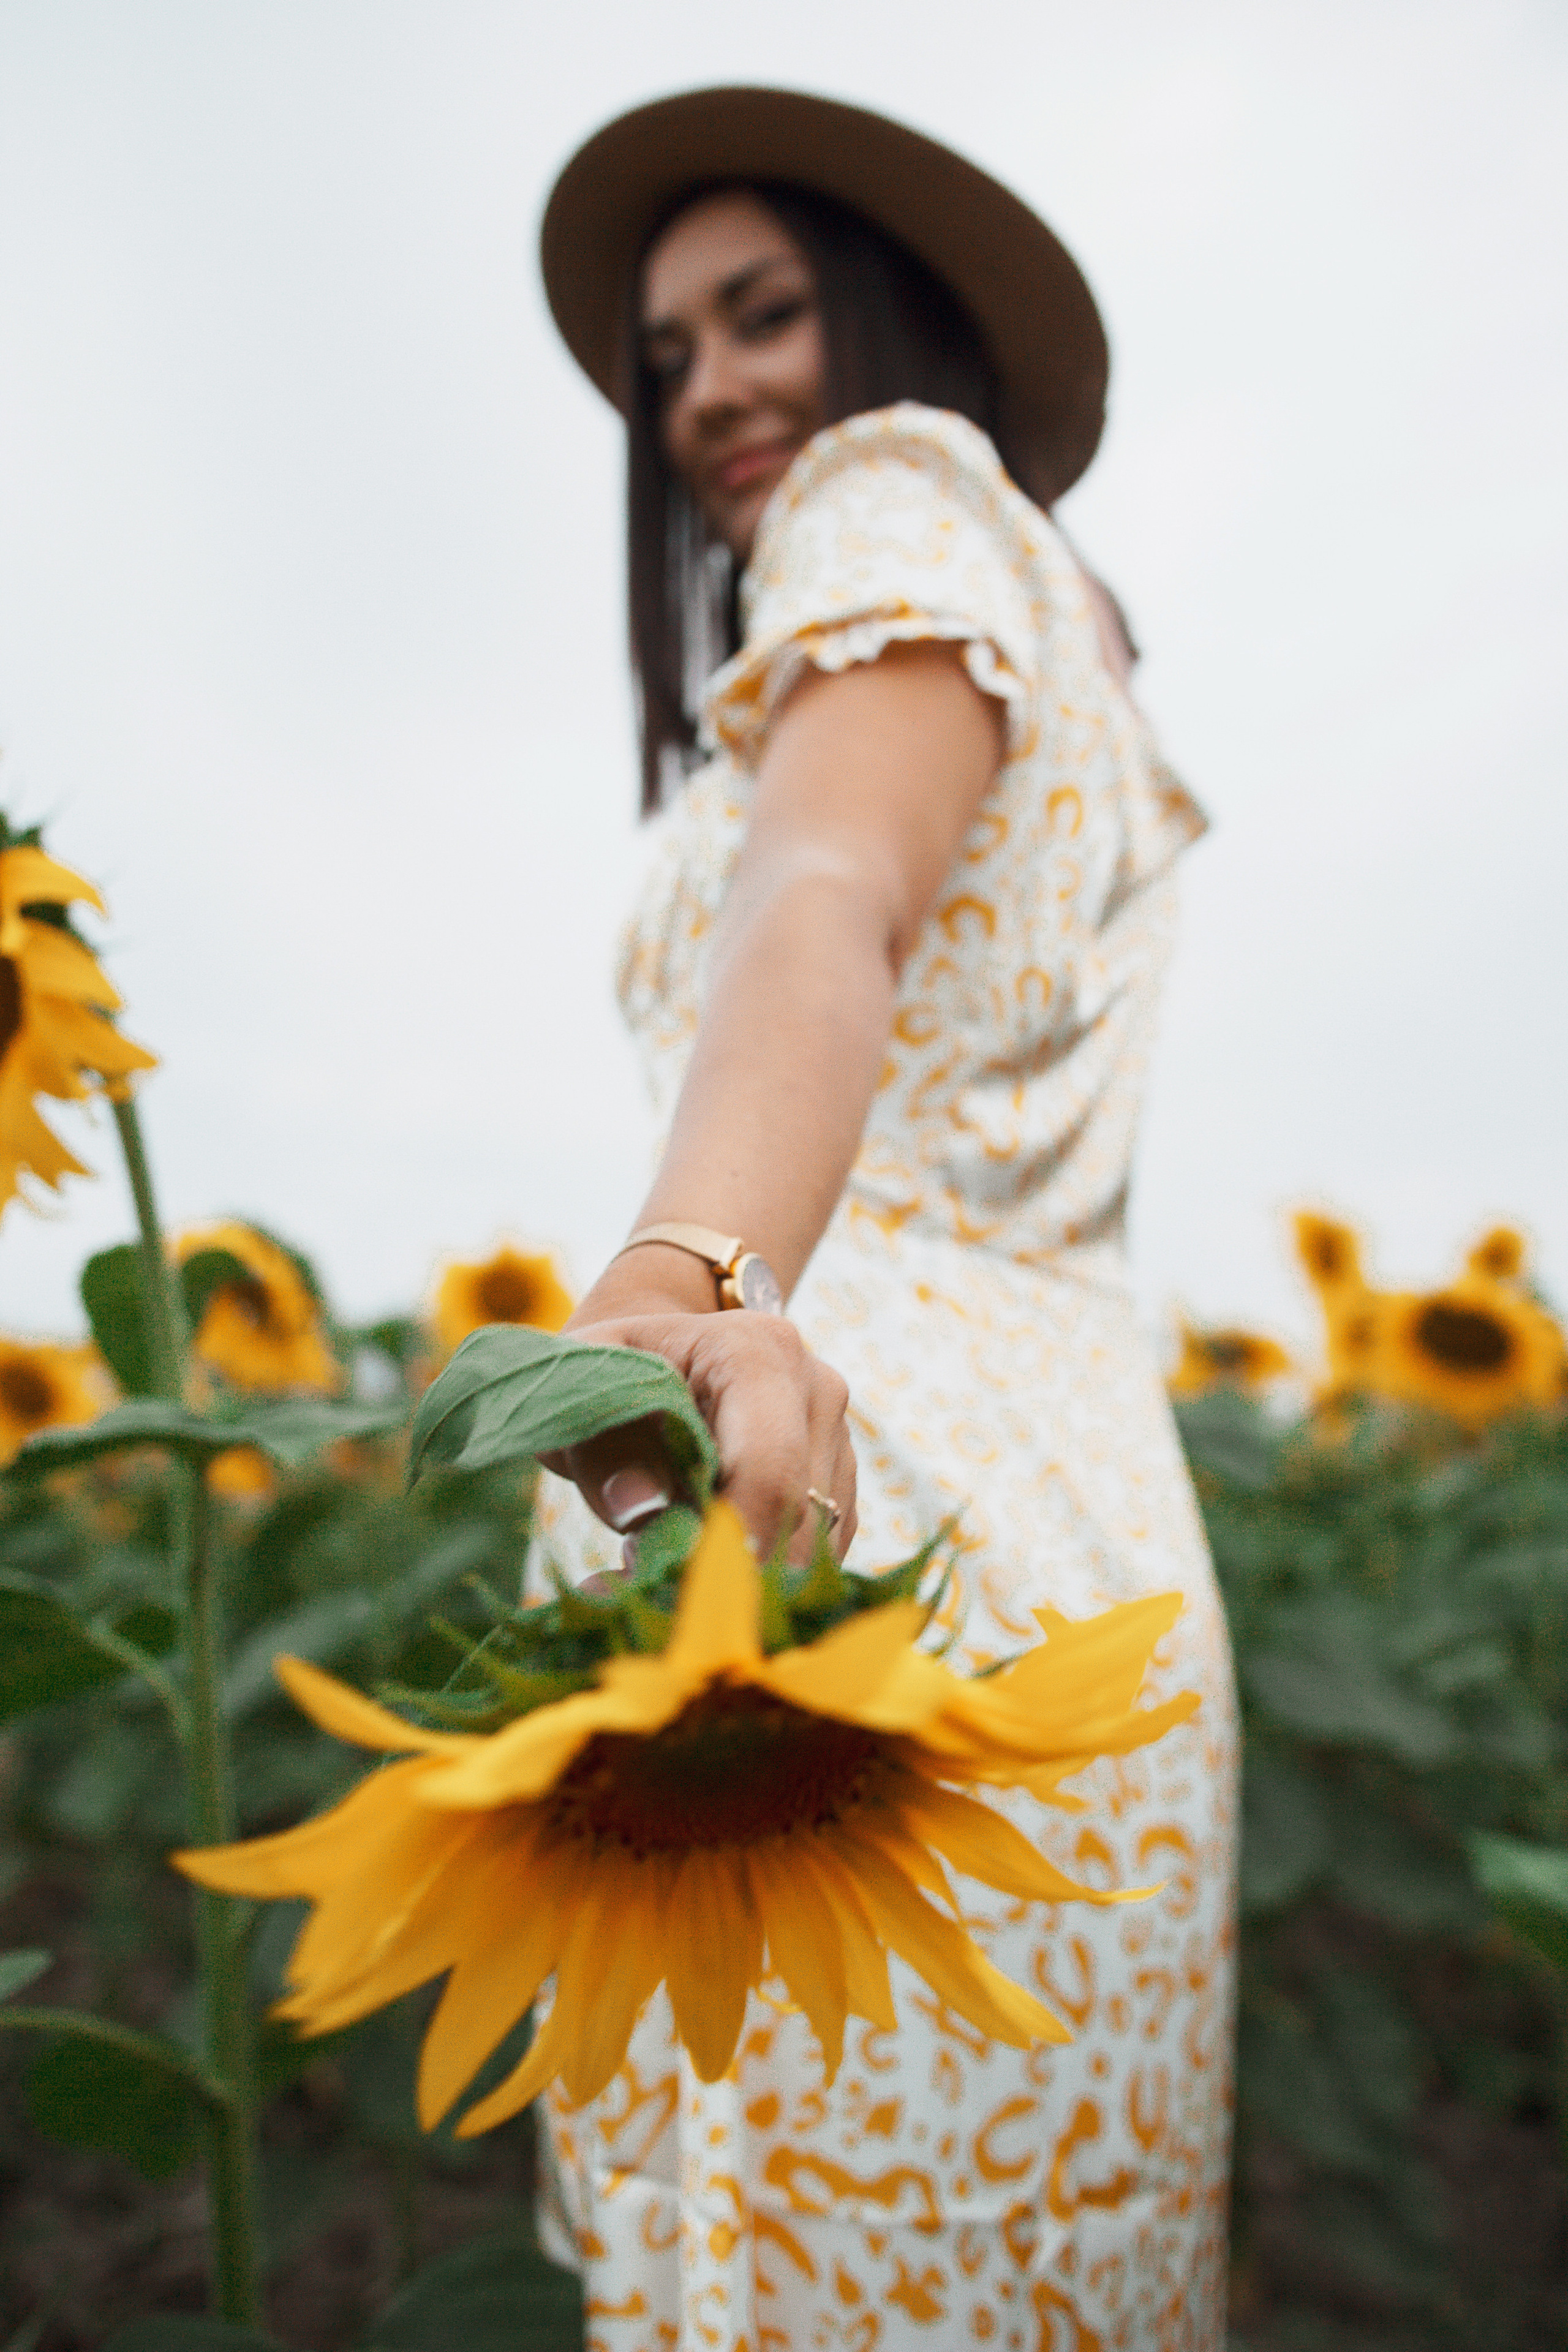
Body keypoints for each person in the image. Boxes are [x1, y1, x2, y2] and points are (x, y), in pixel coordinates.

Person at [529, 85, 1238, 2351]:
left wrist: (682, 1276)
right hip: (1088, 1564)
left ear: (897, 328)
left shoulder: (896, 502)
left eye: (762, 315)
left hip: (847, 1537)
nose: (712, 388)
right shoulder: (1064, 625)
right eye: (668, 356)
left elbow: (825, 898)